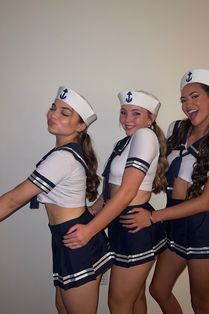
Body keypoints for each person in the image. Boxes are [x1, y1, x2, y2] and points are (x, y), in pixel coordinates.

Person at [120, 69, 209, 314]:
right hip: (174, 224)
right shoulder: (176, 129)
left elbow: (206, 202)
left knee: (201, 303)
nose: (188, 105)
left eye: (194, 97)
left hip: (202, 229)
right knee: (158, 290)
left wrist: (152, 217)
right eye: (184, 100)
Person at [0, 86, 114, 314]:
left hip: (76, 243)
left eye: (64, 113)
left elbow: (13, 199)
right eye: (54, 107)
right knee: (62, 309)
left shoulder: (62, 158)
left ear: (81, 126)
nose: (53, 114)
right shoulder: (65, 153)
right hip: (66, 239)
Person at [63, 90, 168, 314]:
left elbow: (128, 191)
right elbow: (114, 187)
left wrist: (90, 230)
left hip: (132, 226)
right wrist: (93, 209)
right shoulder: (125, 142)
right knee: (135, 298)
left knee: (118, 304)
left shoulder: (144, 136)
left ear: (151, 118)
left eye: (136, 113)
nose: (127, 119)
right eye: (123, 112)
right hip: (121, 223)